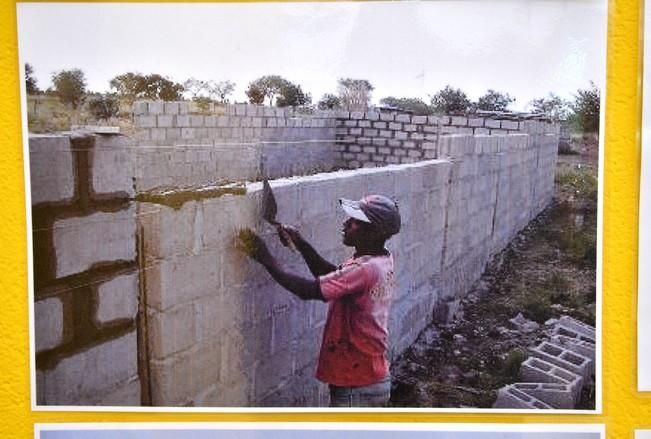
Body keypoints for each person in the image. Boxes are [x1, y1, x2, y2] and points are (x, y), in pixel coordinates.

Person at [238, 194, 401, 407]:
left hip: (356, 384)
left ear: (374, 232)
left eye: (355, 222)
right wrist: (300, 242)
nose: (346, 223)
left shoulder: (365, 269)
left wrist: (264, 257)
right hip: (367, 376)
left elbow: (308, 290)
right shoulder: (379, 259)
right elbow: (333, 277)